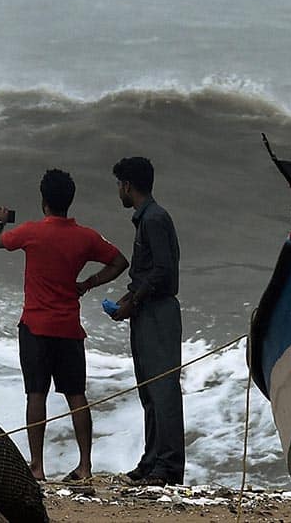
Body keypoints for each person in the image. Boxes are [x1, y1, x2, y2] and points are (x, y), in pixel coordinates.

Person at [0, 168, 128, 482]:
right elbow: (119, 262)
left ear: (43, 201)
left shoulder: (31, 232)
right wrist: (89, 283)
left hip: (36, 327)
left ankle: (36, 467)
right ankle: (85, 467)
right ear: (69, 201)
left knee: (36, 395)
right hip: (68, 329)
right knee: (76, 395)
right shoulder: (86, 237)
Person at [109, 156, 184, 486]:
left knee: (163, 390)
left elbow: (164, 272)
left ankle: (167, 467)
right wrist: (128, 300)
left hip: (158, 313)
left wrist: (134, 300)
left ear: (127, 185)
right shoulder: (148, 218)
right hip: (146, 311)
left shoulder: (154, 219)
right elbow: (150, 271)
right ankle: (152, 459)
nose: (119, 192)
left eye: (119, 185)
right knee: (150, 392)